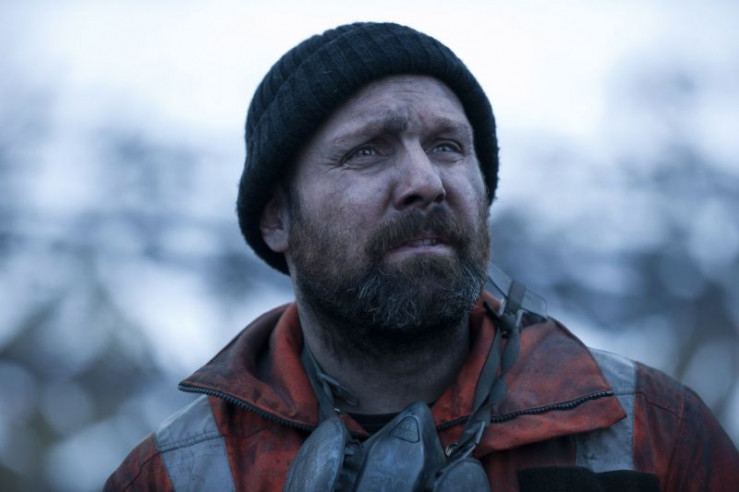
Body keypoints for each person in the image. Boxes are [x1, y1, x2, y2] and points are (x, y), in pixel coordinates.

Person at [105, 22, 738, 491]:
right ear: (277, 218)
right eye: (367, 151)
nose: (425, 182)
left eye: (447, 147)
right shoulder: (170, 476)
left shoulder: (657, 433)